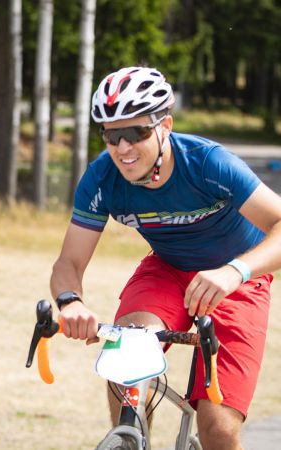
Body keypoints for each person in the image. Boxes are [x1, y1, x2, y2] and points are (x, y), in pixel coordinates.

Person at [50, 66, 281, 450]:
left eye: (136, 132)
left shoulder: (208, 164)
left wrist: (234, 272)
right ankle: (131, 440)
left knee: (218, 429)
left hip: (237, 277)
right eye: (112, 135)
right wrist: (70, 301)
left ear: (165, 125)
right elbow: (68, 263)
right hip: (168, 270)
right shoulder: (101, 178)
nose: (123, 148)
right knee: (125, 360)